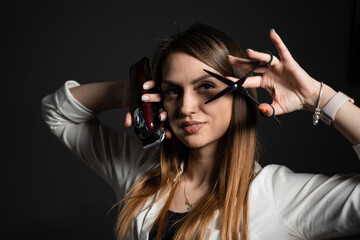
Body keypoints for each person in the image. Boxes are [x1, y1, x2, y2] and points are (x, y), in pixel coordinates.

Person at [41, 23, 360, 240]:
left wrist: (320, 97)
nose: (187, 107)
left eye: (206, 87)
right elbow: (58, 113)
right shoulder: (138, 170)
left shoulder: (277, 196)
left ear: (240, 93)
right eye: (173, 91)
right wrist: (130, 91)